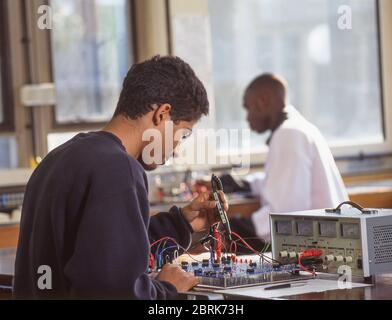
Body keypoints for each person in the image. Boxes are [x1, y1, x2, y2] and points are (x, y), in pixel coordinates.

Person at [13, 56, 227, 299]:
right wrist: (168, 290)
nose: (177, 148)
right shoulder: (119, 169)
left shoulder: (61, 157)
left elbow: (104, 251)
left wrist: (182, 224)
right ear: (162, 114)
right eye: (183, 135)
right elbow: (114, 292)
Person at [240, 73, 348, 241]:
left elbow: (286, 214)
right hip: (329, 237)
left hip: (322, 245)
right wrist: (243, 184)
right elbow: (283, 183)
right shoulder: (297, 128)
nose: (247, 117)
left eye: (248, 107)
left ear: (264, 100)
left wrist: (234, 228)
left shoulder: (288, 134)